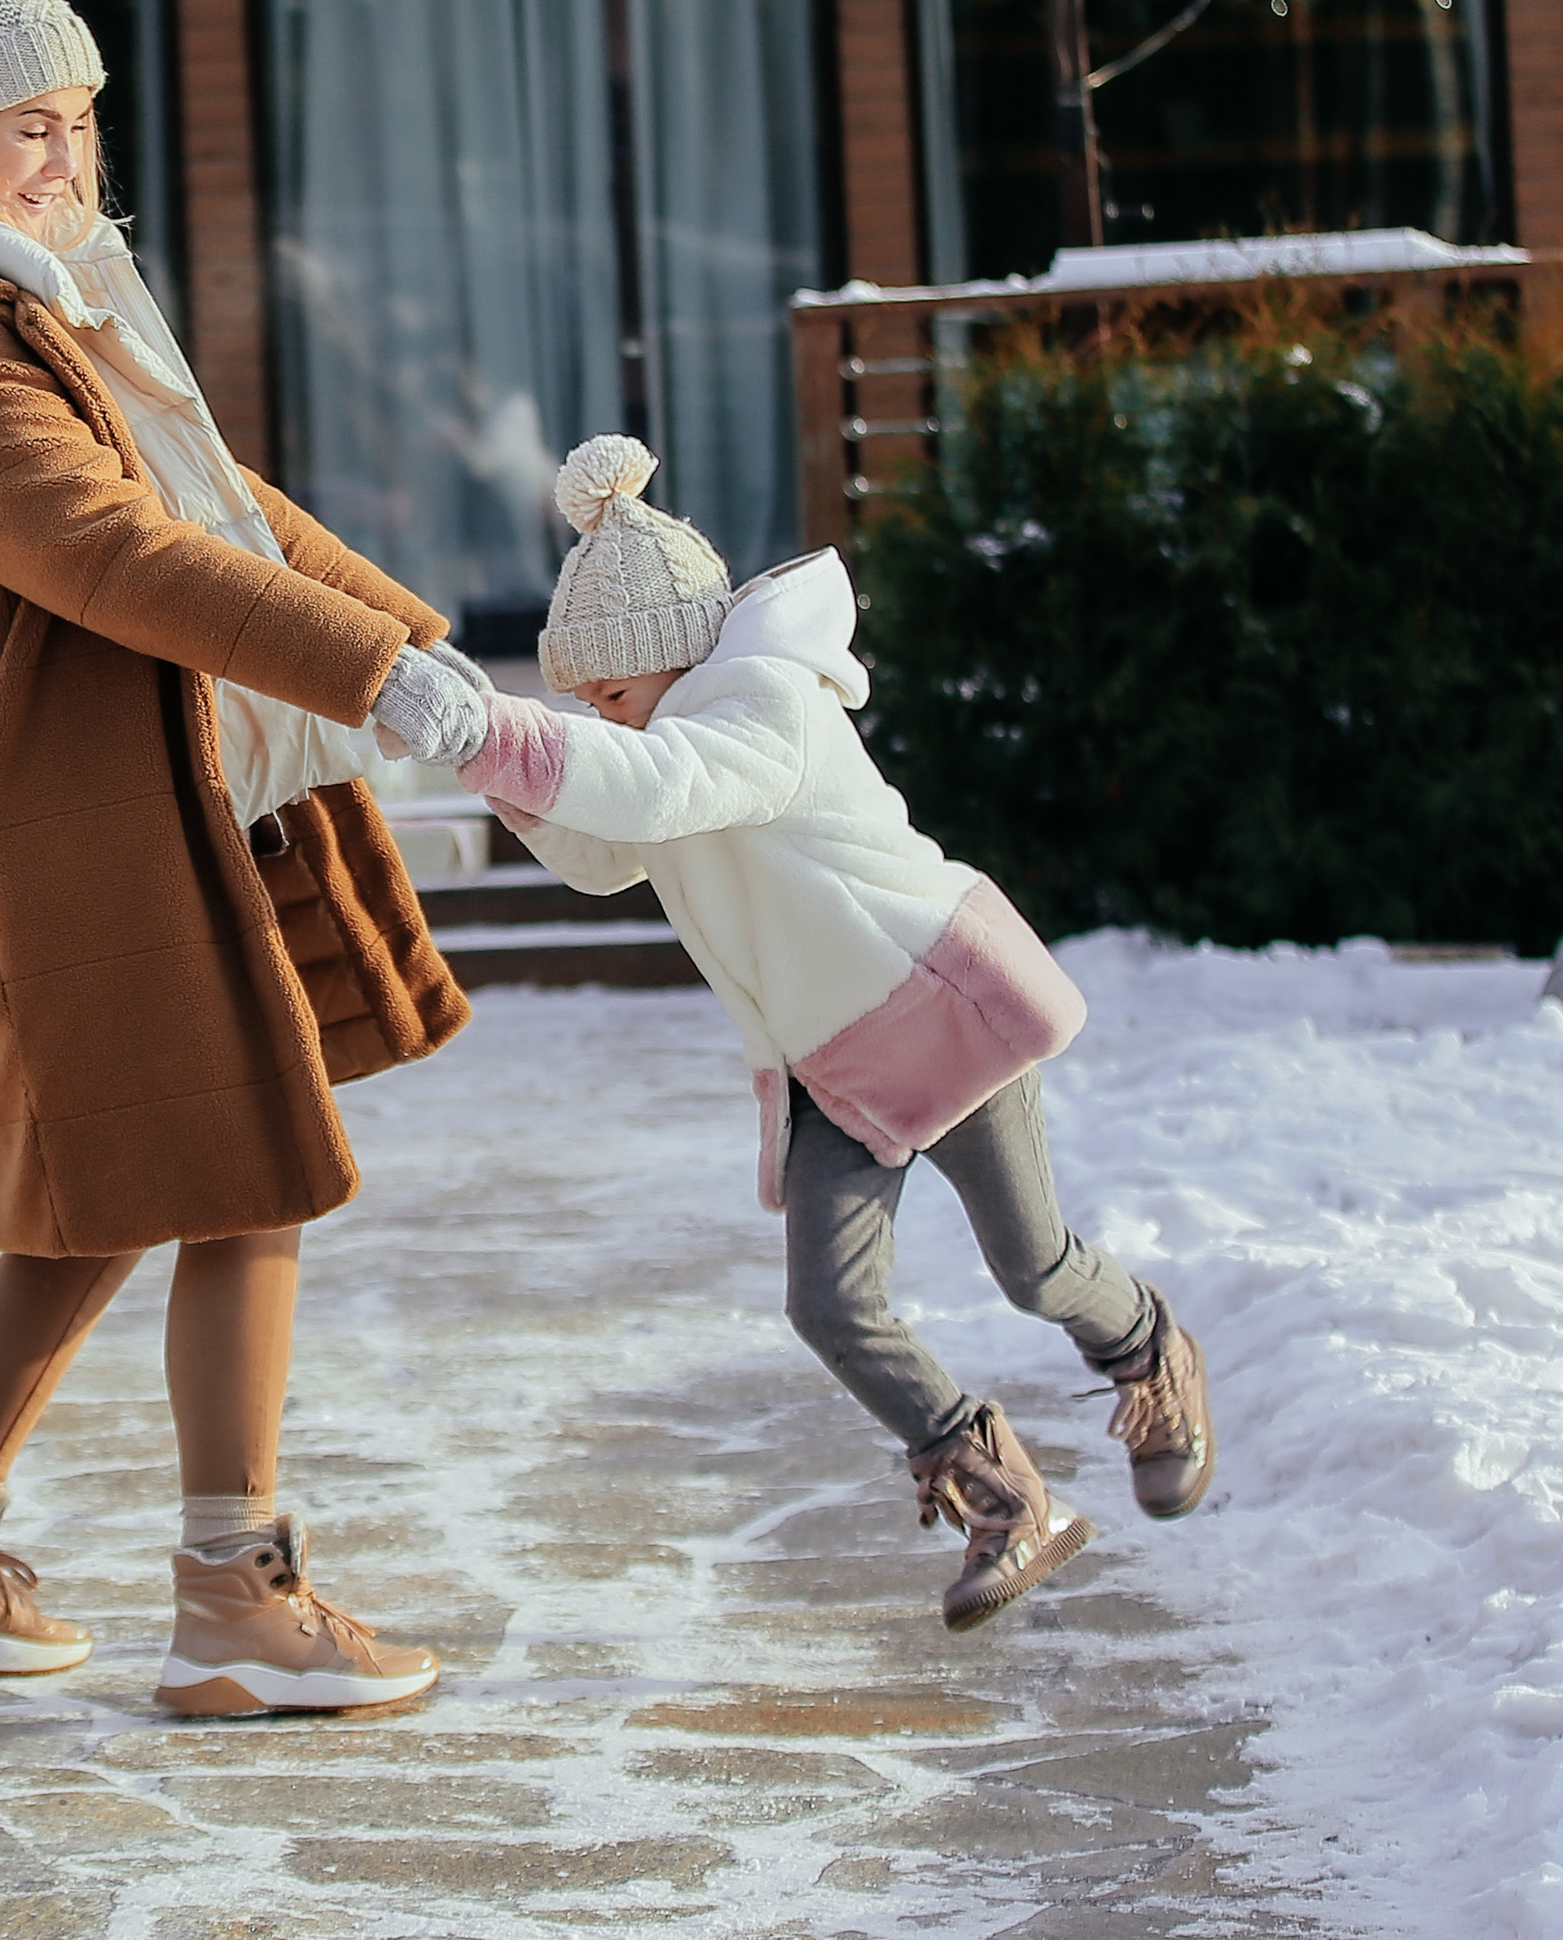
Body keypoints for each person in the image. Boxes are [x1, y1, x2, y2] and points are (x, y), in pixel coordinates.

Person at [0, 0, 491, 1714]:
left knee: (100, 1199)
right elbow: (111, 547)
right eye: (32, 124)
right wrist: (372, 677)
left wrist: (418, 642)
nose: (68, 149)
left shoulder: (45, 289)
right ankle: (237, 1597)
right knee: (238, 1171)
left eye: (80, 114)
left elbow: (216, 494)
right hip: (42, 842)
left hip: (94, 809)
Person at [450, 434, 1215, 1632]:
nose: (594, 716)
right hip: (831, 1063)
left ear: (667, 658)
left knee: (1034, 1266)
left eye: (605, 693)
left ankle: (1149, 1348)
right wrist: (486, 759)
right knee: (829, 1303)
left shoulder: (760, 707)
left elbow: (653, 793)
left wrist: (494, 733)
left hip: (934, 1012)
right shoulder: (671, 744)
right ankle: (1003, 1493)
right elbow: (608, 849)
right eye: (580, 702)